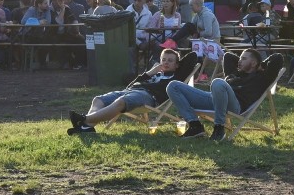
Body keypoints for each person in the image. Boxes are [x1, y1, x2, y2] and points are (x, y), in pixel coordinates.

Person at [67, 49, 198, 135]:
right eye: (163, 59)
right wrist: (149, 73)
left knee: (121, 102)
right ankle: (86, 127)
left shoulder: (176, 76)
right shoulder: (154, 73)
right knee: (98, 99)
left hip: (147, 96)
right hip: (130, 90)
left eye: (170, 61)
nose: (166, 62)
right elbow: (131, 85)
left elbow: (193, 57)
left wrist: (178, 63)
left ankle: (85, 120)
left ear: (177, 65)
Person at [166, 49, 282, 141]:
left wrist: (259, 66)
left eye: (244, 59)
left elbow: (277, 58)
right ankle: (195, 125)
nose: (239, 61)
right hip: (214, 99)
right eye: (240, 58)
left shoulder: (262, 78)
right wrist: (246, 62)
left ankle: (219, 128)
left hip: (235, 105)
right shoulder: (234, 72)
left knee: (217, 82)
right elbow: (228, 56)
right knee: (173, 86)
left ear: (254, 63)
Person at [51, 0, 85, 69]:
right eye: (60, 1)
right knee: (60, 44)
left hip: (66, 33)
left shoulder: (67, 8)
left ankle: (79, 64)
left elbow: (74, 19)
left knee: (81, 39)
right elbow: (58, 22)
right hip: (53, 34)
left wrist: (77, 31)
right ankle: (66, 63)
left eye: (63, 1)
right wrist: (63, 9)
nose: (62, 3)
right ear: (54, 1)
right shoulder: (50, 10)